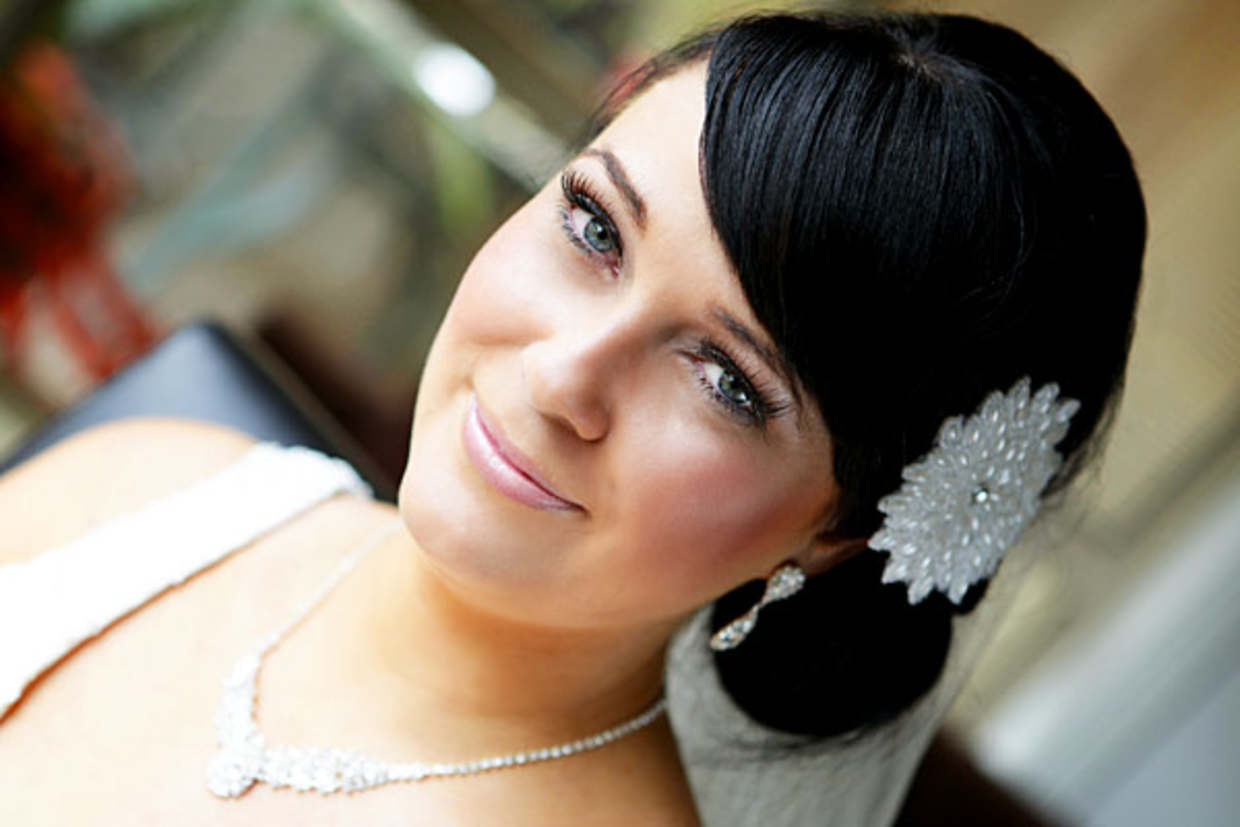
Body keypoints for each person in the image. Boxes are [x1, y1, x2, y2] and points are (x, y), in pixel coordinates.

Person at [0, 10, 1144, 825]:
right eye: (595, 227)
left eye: (726, 381)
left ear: (840, 531)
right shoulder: (155, 479)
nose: (562, 376)